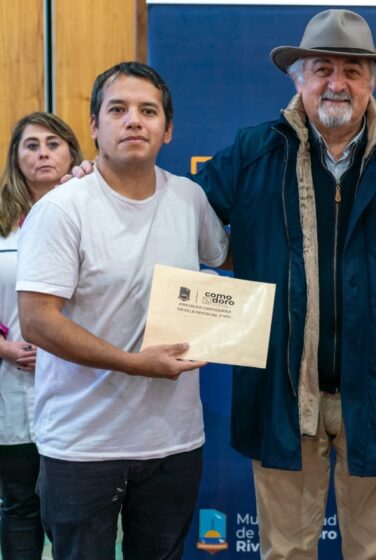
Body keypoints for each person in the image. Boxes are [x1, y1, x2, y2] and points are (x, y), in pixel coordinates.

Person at [192, 9, 376, 560]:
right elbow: (177, 218)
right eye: (322, 68)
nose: (337, 83)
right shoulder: (252, 151)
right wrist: (106, 180)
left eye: (353, 70)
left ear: (373, 82)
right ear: (298, 79)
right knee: (283, 552)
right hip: (284, 393)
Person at [16, 62, 228, 560]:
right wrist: (136, 363)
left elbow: (227, 259)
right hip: (82, 445)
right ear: (94, 126)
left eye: (148, 111)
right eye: (118, 109)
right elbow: (38, 320)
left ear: (168, 129)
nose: (134, 121)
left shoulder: (190, 198)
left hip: (173, 443)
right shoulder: (62, 208)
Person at [0, 112, 82, 559]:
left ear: (72, 152)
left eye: (53, 143)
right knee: (20, 505)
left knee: (73, 510)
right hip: (13, 386)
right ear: (16, 157)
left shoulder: (92, 208)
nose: (43, 153)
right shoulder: (0, 221)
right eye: (31, 145)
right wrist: (7, 348)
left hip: (80, 383)